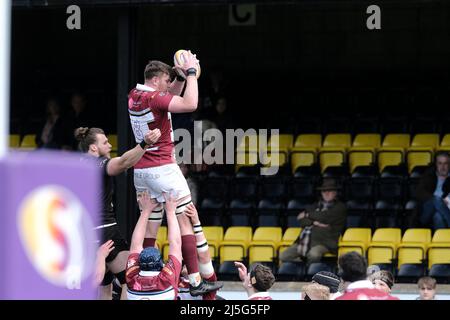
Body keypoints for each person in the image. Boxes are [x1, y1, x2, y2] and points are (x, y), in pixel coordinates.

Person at [128, 53, 221, 296]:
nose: (170, 85)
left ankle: (144, 274)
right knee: (186, 219)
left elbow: (168, 97)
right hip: (163, 168)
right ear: (157, 80)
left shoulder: (134, 95)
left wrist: (178, 77)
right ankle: (195, 280)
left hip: (142, 170)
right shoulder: (156, 97)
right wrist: (191, 73)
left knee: (151, 223)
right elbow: (189, 104)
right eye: (168, 80)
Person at [75, 126, 161, 299]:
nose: (109, 145)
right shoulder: (97, 164)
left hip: (86, 233)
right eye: (105, 142)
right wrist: (144, 143)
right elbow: (123, 163)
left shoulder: (76, 165)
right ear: (93, 148)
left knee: (104, 286)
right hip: (106, 231)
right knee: (129, 281)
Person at [279, 179, 347, 265]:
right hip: (305, 240)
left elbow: (325, 217)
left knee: (313, 254)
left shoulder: (340, 207)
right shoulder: (315, 206)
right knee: (283, 256)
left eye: (329, 191)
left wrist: (307, 215)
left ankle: (310, 274)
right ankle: (302, 268)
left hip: (325, 242)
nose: (326, 193)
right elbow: (302, 220)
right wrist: (315, 223)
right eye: (324, 191)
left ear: (335, 193)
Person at [177, 203, 222, 300]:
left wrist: (197, 223)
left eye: (193, 258)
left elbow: (204, 256)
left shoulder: (209, 287)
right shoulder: (171, 280)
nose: (188, 259)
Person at [416, 151, 450, 229]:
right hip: (427, 211)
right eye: (440, 163)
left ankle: (443, 240)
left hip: (447, 208)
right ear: (436, 164)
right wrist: (439, 200)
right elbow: (419, 193)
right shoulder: (429, 176)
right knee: (436, 199)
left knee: (438, 216)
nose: (443, 167)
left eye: (446, 163)